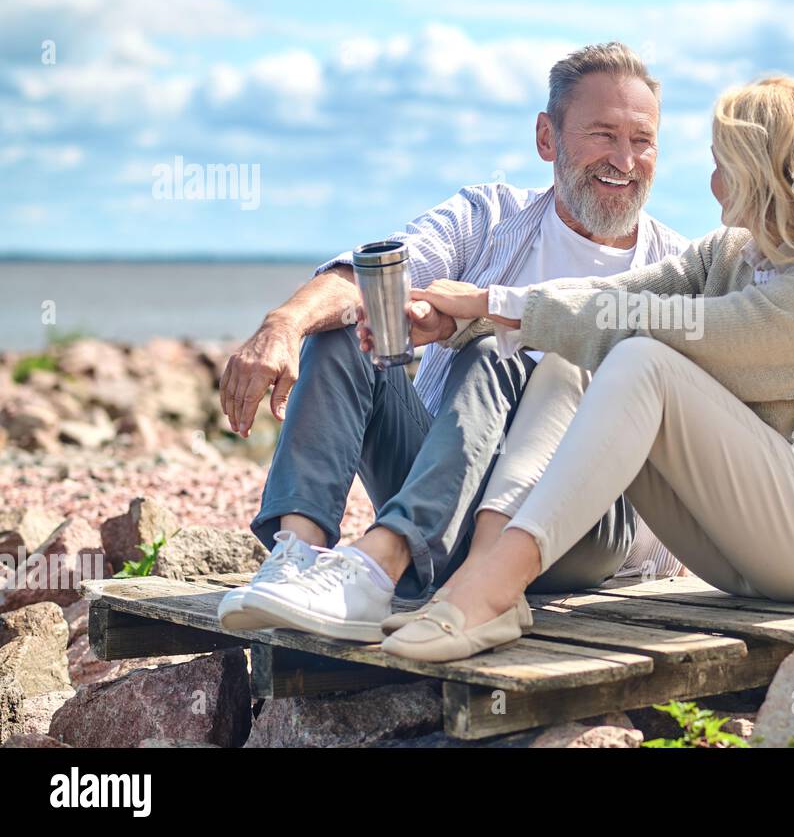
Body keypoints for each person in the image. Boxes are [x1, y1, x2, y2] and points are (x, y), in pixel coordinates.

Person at [373, 74, 794, 663]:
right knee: (571, 359)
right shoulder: (730, 253)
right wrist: (468, 316)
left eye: (722, 163)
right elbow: (609, 296)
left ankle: (495, 584)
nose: (712, 182)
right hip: (738, 551)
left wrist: (493, 303)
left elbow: (652, 324)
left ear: (760, 170)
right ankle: (488, 571)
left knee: (640, 355)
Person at [215, 42, 687, 642]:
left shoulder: (677, 267)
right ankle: (297, 559)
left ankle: (381, 565)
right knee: (343, 333)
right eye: (603, 134)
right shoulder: (488, 216)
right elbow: (368, 278)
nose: (624, 159)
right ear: (547, 138)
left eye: (642, 140)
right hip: (447, 488)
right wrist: (282, 324)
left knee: (495, 349)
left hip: (580, 523)